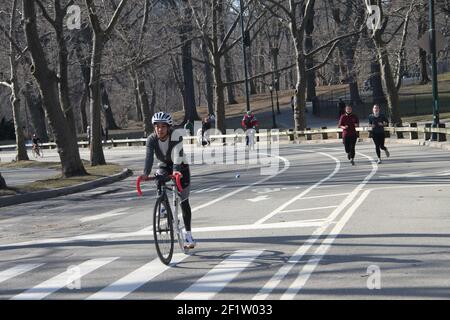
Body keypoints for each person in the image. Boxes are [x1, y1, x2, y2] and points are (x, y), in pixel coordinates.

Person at [140, 112, 196, 249]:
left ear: (168, 127)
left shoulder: (176, 136)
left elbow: (178, 155)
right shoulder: (151, 139)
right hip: (165, 165)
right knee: (158, 175)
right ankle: (163, 205)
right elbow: (149, 157)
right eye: (157, 126)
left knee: (183, 200)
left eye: (163, 126)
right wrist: (145, 173)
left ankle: (188, 234)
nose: (160, 129)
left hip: (181, 166)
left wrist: (176, 170)